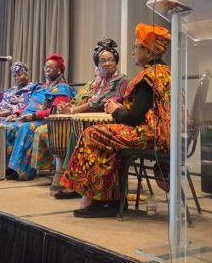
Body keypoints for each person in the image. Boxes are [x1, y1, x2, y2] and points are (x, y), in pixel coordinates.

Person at [61, 24, 171, 218]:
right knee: (106, 138)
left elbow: (134, 118)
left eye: (137, 47)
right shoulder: (166, 72)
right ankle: (107, 199)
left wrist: (115, 110)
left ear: (148, 50)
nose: (133, 52)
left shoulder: (148, 76)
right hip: (161, 135)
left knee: (91, 134)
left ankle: (101, 200)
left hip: (151, 136)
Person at [31, 39, 128, 196]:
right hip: (98, 122)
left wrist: (72, 111)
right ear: (97, 64)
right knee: (73, 133)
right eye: (103, 60)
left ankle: (75, 181)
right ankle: (72, 178)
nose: (108, 63)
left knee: (80, 133)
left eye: (111, 60)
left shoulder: (120, 79)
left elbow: (97, 103)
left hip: (116, 123)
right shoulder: (102, 82)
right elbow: (90, 102)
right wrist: (70, 108)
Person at [5, 54, 75, 180]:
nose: (47, 69)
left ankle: (21, 171)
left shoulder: (62, 88)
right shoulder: (40, 87)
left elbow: (55, 110)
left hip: (44, 121)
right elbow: (29, 104)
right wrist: (16, 114)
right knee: (6, 126)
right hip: (26, 116)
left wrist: (33, 116)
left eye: (51, 67)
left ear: (59, 70)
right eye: (46, 67)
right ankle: (5, 166)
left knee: (27, 128)